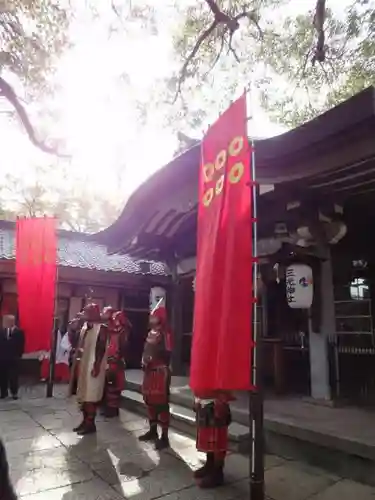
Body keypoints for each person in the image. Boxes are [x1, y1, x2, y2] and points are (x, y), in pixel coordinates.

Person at [70, 303, 108, 435]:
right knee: (83, 394)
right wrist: (72, 329)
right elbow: (75, 343)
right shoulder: (85, 327)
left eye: (86, 312)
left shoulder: (102, 328)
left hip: (93, 364)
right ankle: (85, 421)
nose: (83, 314)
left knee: (91, 395)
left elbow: (102, 348)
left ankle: (90, 424)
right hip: (84, 364)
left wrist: (97, 365)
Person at [138, 304, 172, 450]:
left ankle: (164, 436)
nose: (151, 318)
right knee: (150, 402)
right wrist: (144, 360)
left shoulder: (165, 334)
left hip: (160, 371)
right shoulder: (151, 332)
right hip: (149, 371)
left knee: (161, 404)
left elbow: (168, 353)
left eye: (154, 316)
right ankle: (153, 431)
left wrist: (153, 359)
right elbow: (146, 350)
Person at [193, 390, 234, 489]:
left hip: (217, 401)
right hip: (204, 399)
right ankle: (209, 464)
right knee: (207, 436)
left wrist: (222, 400)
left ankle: (217, 472)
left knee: (217, 438)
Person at [101, 308, 130, 418]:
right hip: (110, 360)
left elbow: (123, 347)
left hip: (116, 362)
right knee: (109, 385)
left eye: (116, 319)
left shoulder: (123, 332)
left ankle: (113, 408)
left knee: (114, 385)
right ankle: (109, 407)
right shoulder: (112, 330)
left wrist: (117, 357)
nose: (114, 321)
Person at [0, 315, 25, 400]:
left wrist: (19, 355)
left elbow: (21, 345)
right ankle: (3, 392)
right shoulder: (1, 332)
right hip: (2, 358)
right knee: (3, 376)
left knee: (13, 376)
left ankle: (14, 392)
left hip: (14, 358)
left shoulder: (19, 332)